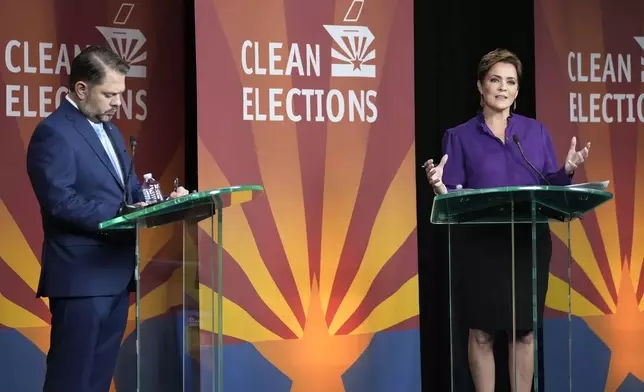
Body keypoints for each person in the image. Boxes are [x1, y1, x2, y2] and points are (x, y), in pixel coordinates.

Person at [423, 49, 590, 392]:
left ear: (517, 91)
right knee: (482, 332)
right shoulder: (459, 136)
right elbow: (452, 196)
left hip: (527, 244)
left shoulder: (534, 133)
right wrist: (439, 185)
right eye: (495, 80)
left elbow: (548, 187)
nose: (502, 88)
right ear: (480, 87)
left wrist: (567, 171)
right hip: (480, 246)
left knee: (524, 331)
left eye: (510, 82)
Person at [26, 45, 188, 392]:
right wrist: (119, 215)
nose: (118, 102)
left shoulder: (112, 131)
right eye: (110, 94)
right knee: (71, 380)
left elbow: (129, 192)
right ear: (81, 89)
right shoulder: (53, 132)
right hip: (81, 279)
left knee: (98, 380)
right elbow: (60, 201)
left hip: (116, 277)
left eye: (121, 94)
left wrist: (163, 201)